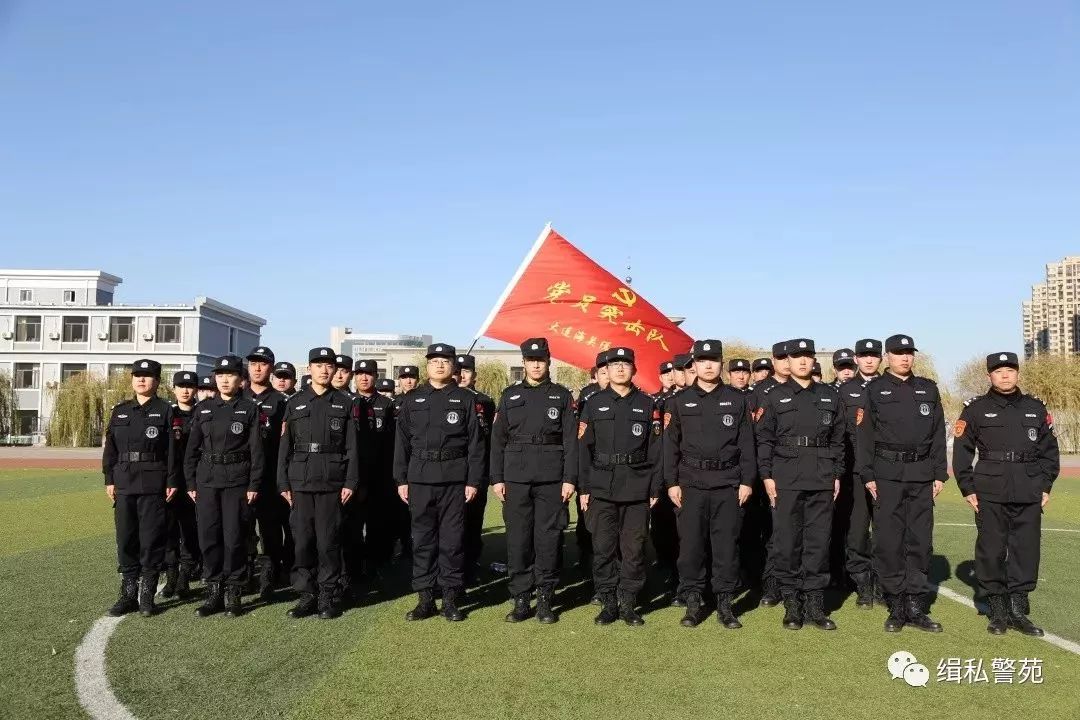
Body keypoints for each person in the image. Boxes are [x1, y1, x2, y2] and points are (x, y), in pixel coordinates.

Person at [952, 352, 1059, 636]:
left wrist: (1046, 485)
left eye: (1010, 370)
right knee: (991, 550)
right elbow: (962, 452)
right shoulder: (975, 409)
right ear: (990, 375)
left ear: (1018, 374)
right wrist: (967, 487)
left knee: (1026, 550)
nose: (1005, 375)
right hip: (990, 490)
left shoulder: (1036, 408)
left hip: (1028, 488)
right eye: (999, 371)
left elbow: (1050, 451)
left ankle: (1018, 610)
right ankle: (998, 610)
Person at [855, 334, 946, 633]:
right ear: (888, 356)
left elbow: (937, 434)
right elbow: (865, 436)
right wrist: (868, 475)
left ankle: (916, 606)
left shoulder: (928, 389)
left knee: (920, 540)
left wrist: (938, 474)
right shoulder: (875, 390)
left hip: (921, 473)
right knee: (889, 541)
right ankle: (895, 605)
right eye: (898, 353)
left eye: (909, 353)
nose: (904, 358)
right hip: (887, 474)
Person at [664, 340, 755, 628]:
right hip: (690, 483)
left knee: (726, 547)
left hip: (727, 483)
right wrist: (671, 483)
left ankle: (725, 605)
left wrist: (747, 481)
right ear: (694, 365)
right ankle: (693, 602)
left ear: (721, 364)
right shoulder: (678, 401)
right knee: (691, 547)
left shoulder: (738, 400)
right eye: (702, 360)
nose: (707, 365)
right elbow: (670, 447)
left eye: (713, 360)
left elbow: (747, 445)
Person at [755, 339, 844, 631]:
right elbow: (764, 439)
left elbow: (838, 440)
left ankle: (816, 605)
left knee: (818, 542)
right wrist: (767, 476)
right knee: (787, 542)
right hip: (786, 478)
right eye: (797, 357)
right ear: (787, 362)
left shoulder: (830, 395)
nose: (803, 362)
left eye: (808, 356)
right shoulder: (774, 395)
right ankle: (792, 603)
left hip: (820, 477)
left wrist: (836, 475)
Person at [394, 343, 486, 622]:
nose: (440, 365)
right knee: (422, 540)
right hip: (420, 478)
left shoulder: (465, 399)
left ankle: (450, 597)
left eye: (445, 360)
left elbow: (475, 445)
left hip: (454, 479)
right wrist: (401, 479)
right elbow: (402, 443)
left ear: (453, 366)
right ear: (427, 365)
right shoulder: (412, 399)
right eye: (434, 361)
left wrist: (473, 481)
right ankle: (425, 597)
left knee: (452, 541)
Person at [489, 338, 577, 623]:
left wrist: (569, 479)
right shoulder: (510, 395)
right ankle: (521, 599)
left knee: (548, 539)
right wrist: (497, 478)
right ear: (524, 363)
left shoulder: (562, 396)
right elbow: (497, 440)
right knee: (518, 540)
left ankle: (546, 599)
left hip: (551, 478)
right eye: (531, 360)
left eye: (541, 359)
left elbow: (570, 442)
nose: (536, 364)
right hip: (516, 477)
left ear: (548, 362)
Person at [577, 347, 662, 626]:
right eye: (615, 365)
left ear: (634, 369)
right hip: (602, 486)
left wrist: (653, 488)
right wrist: (584, 488)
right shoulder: (593, 403)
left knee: (634, 549)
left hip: (636, 487)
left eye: (626, 364)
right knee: (603, 548)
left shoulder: (647, 404)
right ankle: (608, 602)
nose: (621, 369)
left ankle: (628, 602)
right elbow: (583, 449)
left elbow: (655, 450)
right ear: (606, 370)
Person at [277, 347, 362, 619]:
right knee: (302, 541)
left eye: (329, 365)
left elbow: (352, 447)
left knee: (328, 542)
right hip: (300, 480)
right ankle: (307, 595)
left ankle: (327, 595)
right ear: (309, 369)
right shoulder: (295, 402)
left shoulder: (345, 403)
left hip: (332, 480)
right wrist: (282, 483)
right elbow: (285, 447)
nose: (324, 370)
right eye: (319, 365)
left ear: (335, 370)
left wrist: (351, 481)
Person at [184, 355, 265, 618]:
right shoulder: (204, 409)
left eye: (230, 375)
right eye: (220, 375)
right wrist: (190, 482)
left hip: (237, 480)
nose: (224, 379)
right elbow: (192, 449)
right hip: (207, 480)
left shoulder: (249, 408)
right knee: (209, 537)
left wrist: (254, 483)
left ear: (240, 380)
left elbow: (257, 450)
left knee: (234, 537)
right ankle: (214, 590)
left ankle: (234, 591)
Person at [103, 359, 179, 617]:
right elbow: (110, 449)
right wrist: (108, 479)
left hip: (153, 482)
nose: (141, 380)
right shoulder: (120, 411)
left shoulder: (166, 411)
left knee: (151, 539)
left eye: (147, 376)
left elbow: (171, 451)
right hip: (123, 482)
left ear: (157, 381)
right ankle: (127, 594)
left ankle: (146, 595)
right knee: (125, 538)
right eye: (137, 375)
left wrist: (171, 480)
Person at [834, 339, 881, 606]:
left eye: (874, 355)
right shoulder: (845, 391)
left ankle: (884, 584)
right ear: (856, 358)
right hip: (854, 471)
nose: (869, 360)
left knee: (886, 532)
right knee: (857, 531)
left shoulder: (890, 388)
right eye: (864, 355)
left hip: (885, 470)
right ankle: (862, 584)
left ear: (881, 358)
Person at [243, 346, 291, 600]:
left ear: (271, 368)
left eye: (262, 363)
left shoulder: (282, 402)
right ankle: (245, 574)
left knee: (271, 530)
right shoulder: (238, 399)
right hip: (241, 475)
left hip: (271, 477)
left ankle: (269, 578)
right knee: (242, 528)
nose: (258, 367)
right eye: (253, 363)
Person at [747, 341, 792, 607]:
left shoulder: (803, 390)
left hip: (789, 472)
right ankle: (765, 582)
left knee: (782, 532)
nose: (787, 362)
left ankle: (781, 584)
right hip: (763, 471)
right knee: (761, 530)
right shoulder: (759, 392)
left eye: (791, 357)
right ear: (773, 361)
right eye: (782, 358)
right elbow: (754, 436)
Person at [353, 359, 397, 573]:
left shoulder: (386, 404)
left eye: (368, 373)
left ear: (375, 377)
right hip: (355, 470)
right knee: (354, 520)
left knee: (378, 519)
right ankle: (356, 561)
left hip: (381, 471)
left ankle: (378, 562)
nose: (364, 377)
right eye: (359, 373)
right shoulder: (347, 402)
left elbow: (392, 439)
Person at [161, 370, 202, 600]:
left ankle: (185, 578)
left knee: (191, 532)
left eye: (190, 386)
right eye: (181, 386)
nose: (185, 390)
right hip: (170, 482)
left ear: (195, 389)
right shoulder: (167, 414)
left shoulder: (203, 413)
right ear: (174, 389)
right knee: (169, 532)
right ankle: (172, 577)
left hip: (194, 482)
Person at [456, 353, 496, 586]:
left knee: (473, 521)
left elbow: (489, 437)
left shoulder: (485, 402)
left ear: (474, 375)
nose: (461, 375)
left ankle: (471, 564)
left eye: (467, 371)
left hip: (477, 469)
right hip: (449, 469)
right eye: (458, 371)